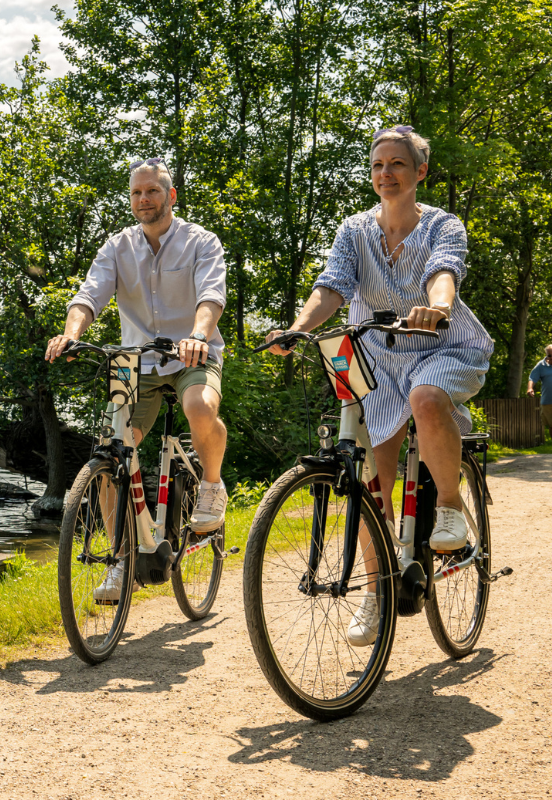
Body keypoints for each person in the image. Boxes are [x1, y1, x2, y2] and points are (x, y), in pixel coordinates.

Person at [262, 126, 495, 647]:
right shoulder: (353, 231)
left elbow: (444, 273)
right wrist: (299, 328)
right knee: (369, 480)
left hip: (443, 347)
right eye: (377, 165)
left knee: (426, 397)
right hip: (373, 356)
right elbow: (333, 286)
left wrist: (436, 307)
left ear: (420, 173)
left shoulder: (443, 225)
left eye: (397, 165)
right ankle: (377, 590)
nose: (385, 174)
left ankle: (452, 510)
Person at [45, 157, 231, 602]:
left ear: (171, 195)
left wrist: (197, 335)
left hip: (192, 353)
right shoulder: (117, 246)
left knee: (199, 406)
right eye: (136, 193)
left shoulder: (200, 242)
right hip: (134, 362)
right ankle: (122, 560)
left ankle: (211, 484)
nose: (143, 199)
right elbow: (89, 295)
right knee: (111, 456)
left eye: (152, 191)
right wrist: (71, 334)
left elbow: (211, 296)